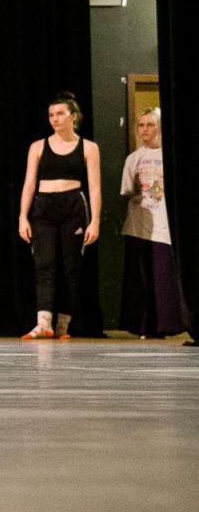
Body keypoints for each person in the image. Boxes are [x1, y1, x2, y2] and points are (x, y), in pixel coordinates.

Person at [17, 91, 101, 339]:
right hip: (43, 208)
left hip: (73, 207)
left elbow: (95, 187)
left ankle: (64, 324)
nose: (54, 119)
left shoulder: (88, 147)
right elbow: (29, 184)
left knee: (70, 267)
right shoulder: (37, 147)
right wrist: (23, 216)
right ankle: (43, 322)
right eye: (51, 115)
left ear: (73, 116)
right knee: (44, 264)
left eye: (60, 114)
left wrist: (95, 220)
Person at [119, 108, 189, 339]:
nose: (145, 130)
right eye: (141, 125)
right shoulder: (133, 158)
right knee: (142, 278)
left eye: (150, 125)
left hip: (163, 225)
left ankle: (166, 325)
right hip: (139, 223)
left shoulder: (168, 156)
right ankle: (143, 326)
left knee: (162, 276)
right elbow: (128, 189)